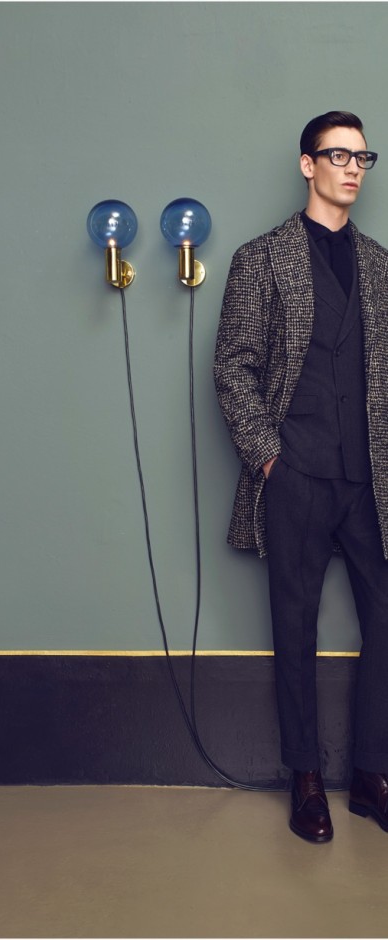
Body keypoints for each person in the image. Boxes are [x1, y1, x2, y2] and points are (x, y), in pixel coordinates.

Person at [214, 111, 388, 842]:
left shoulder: (378, 263)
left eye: (362, 158)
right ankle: (306, 778)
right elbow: (233, 367)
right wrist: (270, 459)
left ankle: (373, 775)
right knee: (295, 625)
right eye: (337, 155)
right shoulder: (262, 258)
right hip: (296, 473)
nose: (352, 169)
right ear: (307, 165)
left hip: (370, 478)